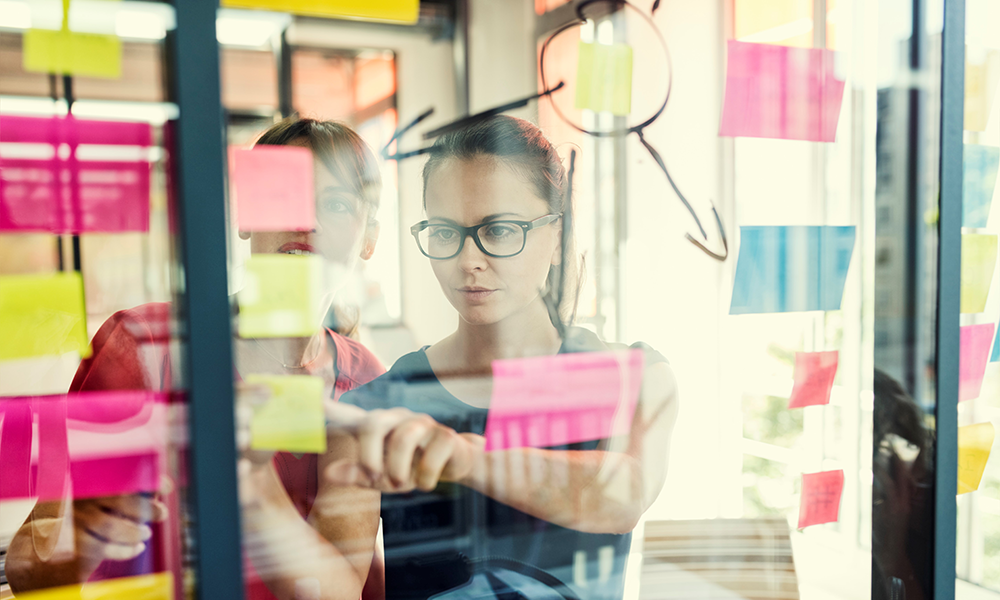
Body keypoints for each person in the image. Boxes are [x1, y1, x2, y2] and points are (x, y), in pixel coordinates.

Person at [5, 117, 388, 600]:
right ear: (247, 217)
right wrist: (83, 536)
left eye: (334, 204)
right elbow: (27, 570)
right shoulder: (142, 347)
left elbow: (339, 589)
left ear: (369, 237)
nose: (303, 219)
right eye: (282, 194)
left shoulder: (368, 381)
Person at [323, 115, 680, 599]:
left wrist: (461, 455)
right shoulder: (374, 409)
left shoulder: (635, 376)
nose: (469, 260)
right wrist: (254, 483)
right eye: (446, 232)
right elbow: (327, 593)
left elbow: (622, 495)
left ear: (557, 235)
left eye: (500, 229)